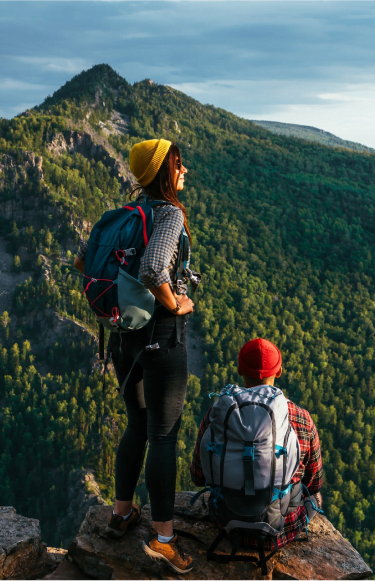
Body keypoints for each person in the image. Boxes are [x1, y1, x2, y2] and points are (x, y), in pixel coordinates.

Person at [75, 138, 197, 574]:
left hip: (122, 337)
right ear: (165, 171)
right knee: (163, 435)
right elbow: (151, 269)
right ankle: (164, 540)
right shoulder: (168, 214)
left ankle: (121, 514)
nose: (185, 171)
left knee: (137, 425)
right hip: (160, 337)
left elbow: (82, 262)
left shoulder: (123, 215)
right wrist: (175, 304)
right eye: (179, 164)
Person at [190, 338, 323, 550]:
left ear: (240, 370)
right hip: (281, 530)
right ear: (278, 372)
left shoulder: (218, 415)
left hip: (226, 522)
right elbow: (314, 483)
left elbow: (198, 477)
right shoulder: (300, 418)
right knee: (315, 496)